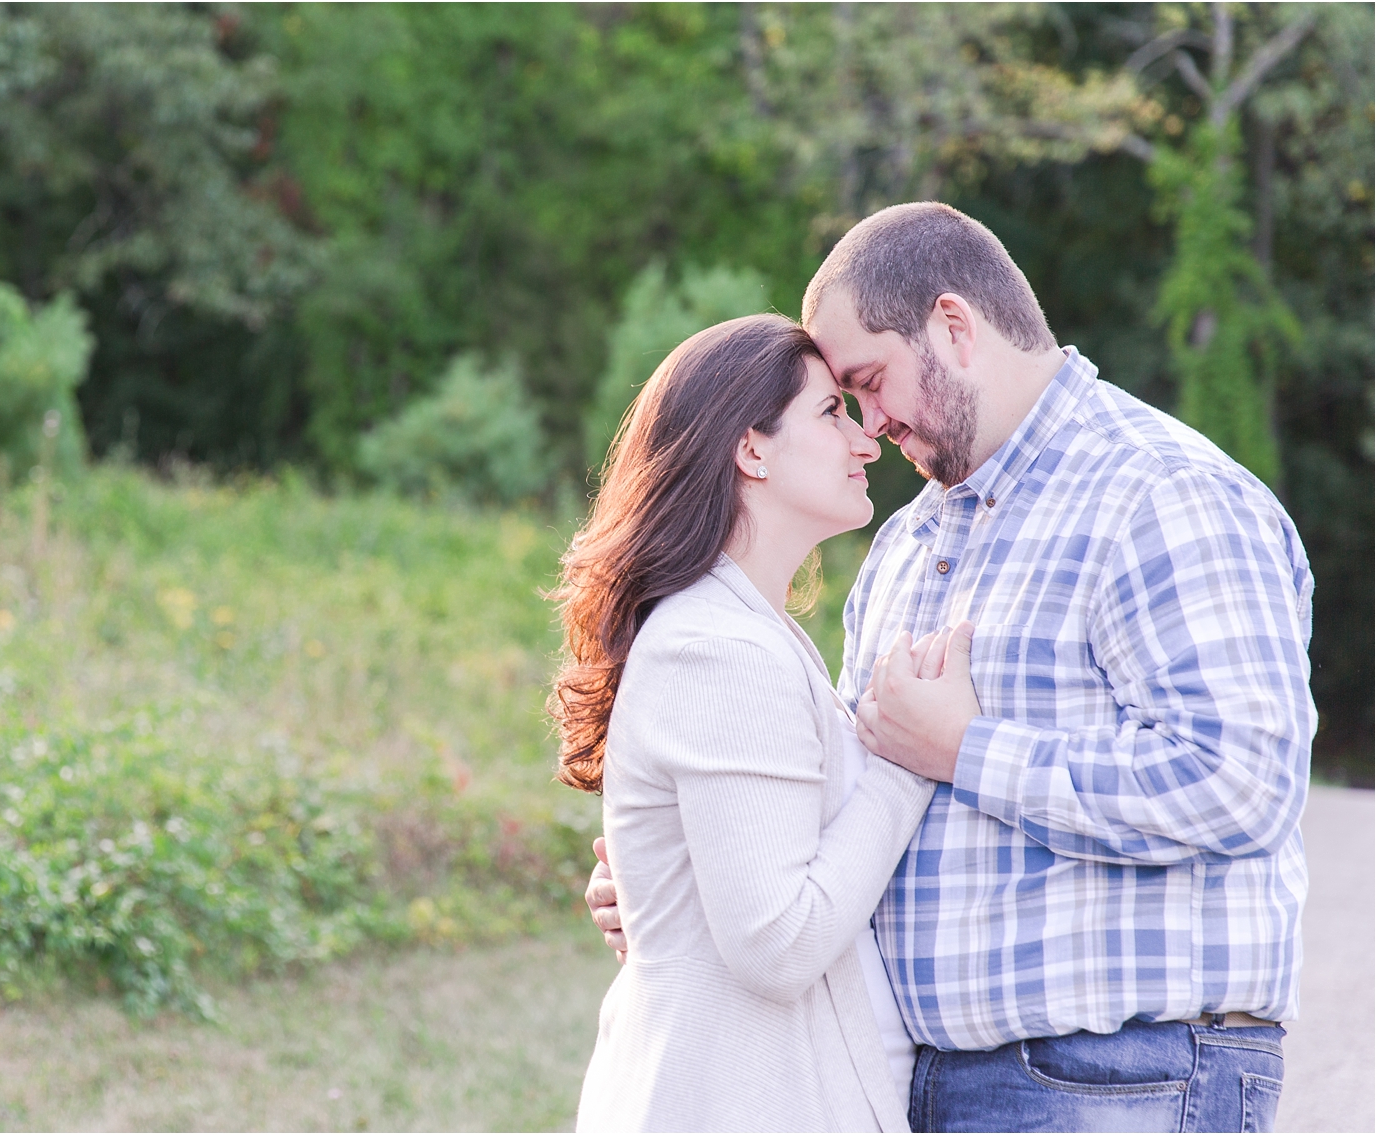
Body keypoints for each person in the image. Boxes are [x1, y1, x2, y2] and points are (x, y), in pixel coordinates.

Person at [586, 202, 1315, 1133]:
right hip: (916, 1084)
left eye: (871, 382)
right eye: (842, 403)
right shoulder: (904, 547)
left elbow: (1240, 780)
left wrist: (967, 749)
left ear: (955, 327)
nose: (871, 425)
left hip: (1119, 1078)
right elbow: (846, 803)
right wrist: (689, 874)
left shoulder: (1164, 495)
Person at [551, 313, 941, 1132]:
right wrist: (910, 764)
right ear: (751, 448)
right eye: (832, 412)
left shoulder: (746, 632)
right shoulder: (718, 648)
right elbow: (780, 941)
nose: (866, 441)